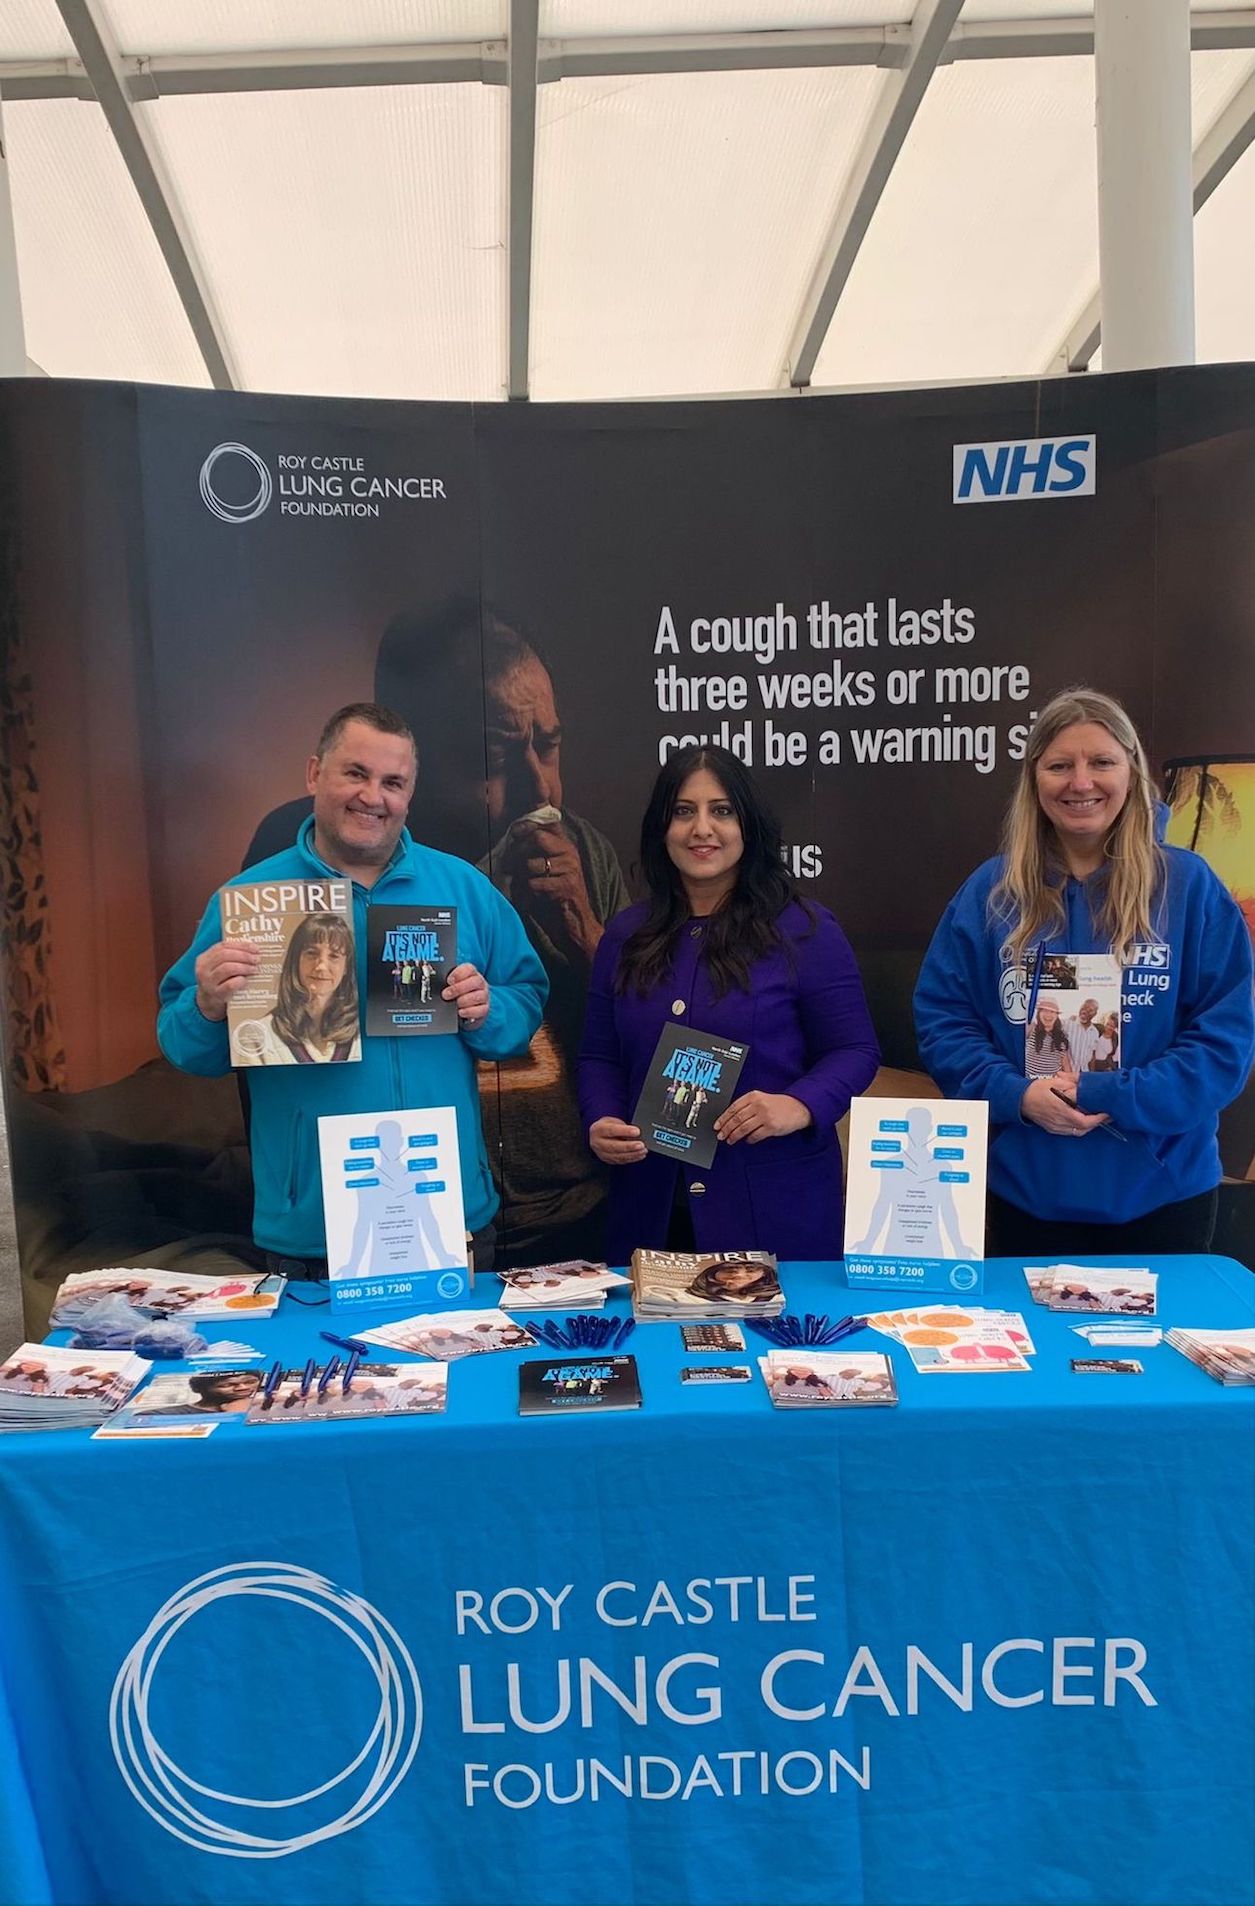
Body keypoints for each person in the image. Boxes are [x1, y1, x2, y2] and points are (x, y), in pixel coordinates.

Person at [243, 603, 630, 1265]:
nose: (539, 785)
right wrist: (205, 1002)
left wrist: (585, 934)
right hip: (376, 1204)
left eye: (548, 744)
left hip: (561, 1206)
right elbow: (261, 1047)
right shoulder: (290, 857)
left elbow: (616, 1016)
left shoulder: (579, 851)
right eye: (498, 754)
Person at [158, 703, 547, 1276]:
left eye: (393, 782)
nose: (374, 796)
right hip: (311, 1229)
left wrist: (488, 1009)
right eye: (356, 774)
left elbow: (527, 998)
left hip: (446, 1212)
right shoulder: (249, 900)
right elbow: (184, 1046)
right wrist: (207, 1005)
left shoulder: (463, 887)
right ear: (315, 773)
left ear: (410, 794)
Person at [914, 687, 1255, 1257]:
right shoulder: (992, 893)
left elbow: (1224, 1044)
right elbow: (945, 1022)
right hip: (1025, 1194)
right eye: (1060, 765)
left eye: (1101, 762)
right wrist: (1016, 1094)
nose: (1081, 782)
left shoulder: (1189, 887)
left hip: (1163, 1194)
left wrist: (1112, 1093)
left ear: (1131, 771)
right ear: (1034, 779)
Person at [577, 744, 880, 1262]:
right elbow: (598, 1056)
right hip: (651, 1207)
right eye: (683, 811)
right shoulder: (626, 935)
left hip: (773, 1209)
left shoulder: (805, 930)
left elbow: (854, 1051)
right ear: (661, 827)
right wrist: (601, 1119)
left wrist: (798, 1105)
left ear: (748, 825)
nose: (702, 829)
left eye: (721, 811)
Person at [234, 912, 361, 1065]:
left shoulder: (361, 1031)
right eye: (311, 953)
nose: (321, 966)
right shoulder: (258, 1035)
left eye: (334, 956)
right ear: (296, 961)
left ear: (346, 966)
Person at [1024, 997, 1071, 1079]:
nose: (1048, 1015)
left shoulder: (1061, 1038)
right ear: (1038, 1013)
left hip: (1051, 1086)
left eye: (1052, 1011)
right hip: (1029, 1084)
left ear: (1057, 1015)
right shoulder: (1031, 1029)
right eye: (1044, 1010)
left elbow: (1066, 1067)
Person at [1065, 997, 1102, 1074]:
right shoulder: (1067, 1024)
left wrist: (1091, 1075)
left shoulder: (1094, 1032)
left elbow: (1092, 1056)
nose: (1085, 1011)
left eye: (1090, 1010)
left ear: (1095, 1014)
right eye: (1084, 1007)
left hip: (1085, 1072)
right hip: (1067, 1073)